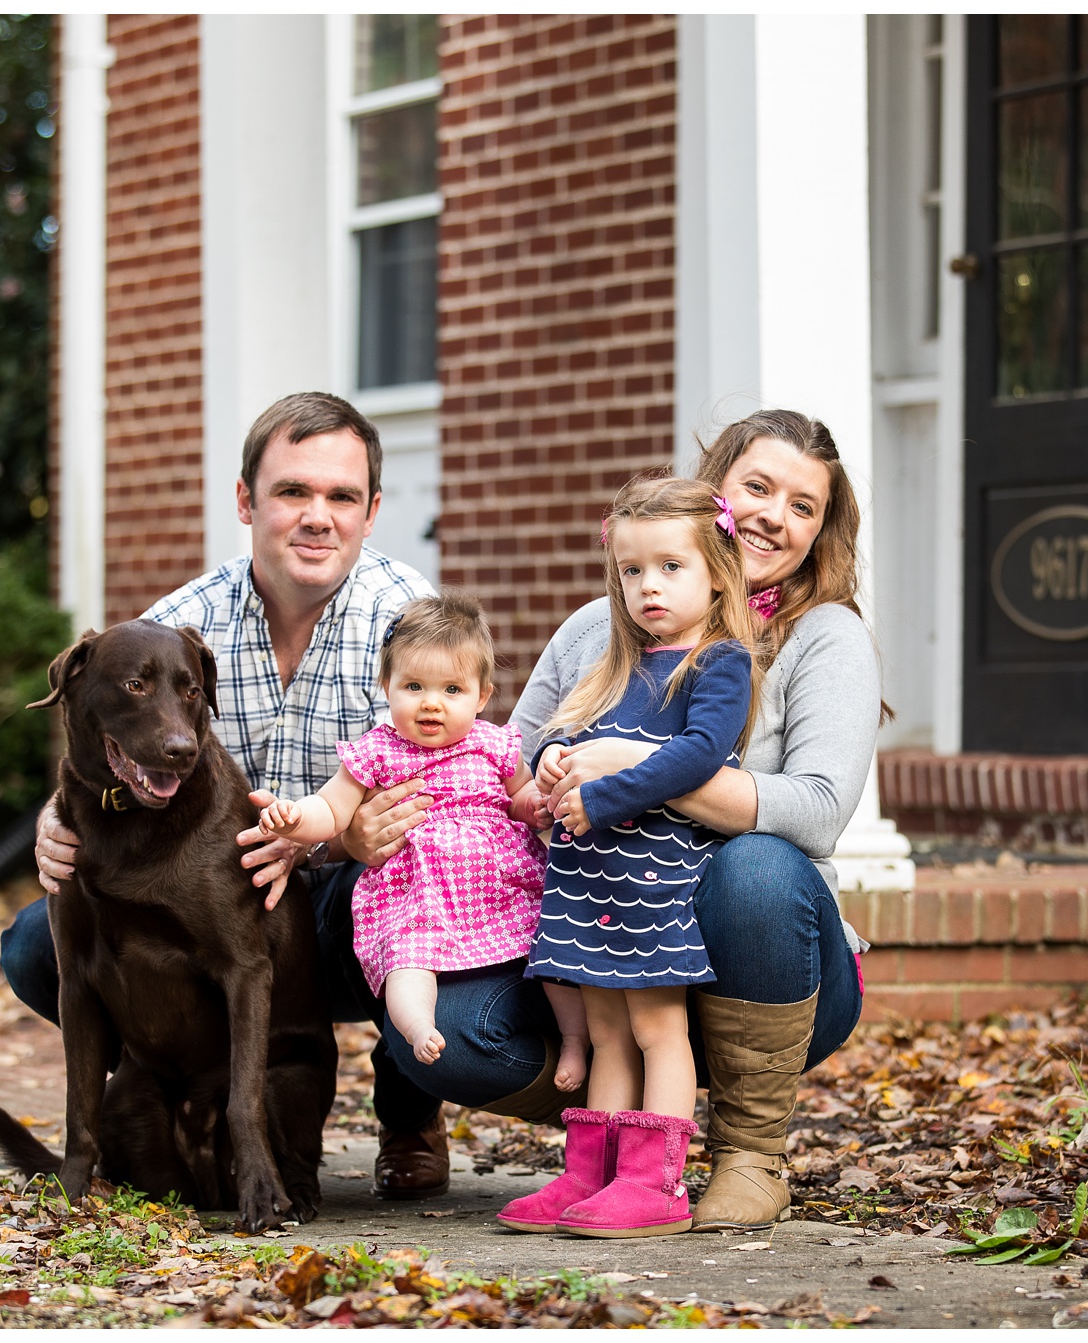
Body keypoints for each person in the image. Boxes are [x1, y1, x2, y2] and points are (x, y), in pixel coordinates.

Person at [314, 408, 879, 1233]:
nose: (772, 515)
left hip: (762, 958)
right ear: (711, 491)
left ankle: (750, 1153)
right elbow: (520, 757)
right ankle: (607, 1159)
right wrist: (534, 786)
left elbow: (819, 811)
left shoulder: (822, 637)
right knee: (443, 1034)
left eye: (803, 506)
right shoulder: (600, 624)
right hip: (602, 917)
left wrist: (624, 769)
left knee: (756, 865)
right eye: (757, 486)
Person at [5, 391, 502, 1200]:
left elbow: (448, 792)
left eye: (341, 496)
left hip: (355, 898)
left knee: (414, 920)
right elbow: (105, 718)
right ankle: (163, 1102)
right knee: (38, 943)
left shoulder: (407, 623)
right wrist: (54, 817)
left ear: (372, 511)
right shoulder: (185, 619)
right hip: (216, 902)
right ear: (246, 501)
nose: (318, 516)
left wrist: (335, 837)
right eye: (293, 492)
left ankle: (409, 1111)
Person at [498, 477, 757, 1238]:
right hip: (584, 880)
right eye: (633, 569)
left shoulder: (719, 663)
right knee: (607, 1031)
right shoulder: (618, 660)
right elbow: (560, 730)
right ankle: (591, 1175)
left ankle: (656, 1182)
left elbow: (701, 756)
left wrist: (606, 796)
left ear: (717, 570)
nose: (649, 586)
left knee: (655, 1029)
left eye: (671, 567)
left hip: (652, 881)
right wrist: (549, 764)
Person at [257, 593, 588, 1089]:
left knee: (551, 957)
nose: (431, 702)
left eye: (452, 689)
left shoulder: (493, 743)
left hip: (506, 888)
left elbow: (518, 794)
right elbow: (331, 809)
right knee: (407, 963)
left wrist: (535, 806)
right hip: (420, 896)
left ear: (480, 697)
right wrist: (292, 817)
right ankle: (418, 1028)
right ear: (387, 687)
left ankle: (577, 1043)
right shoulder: (376, 752)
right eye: (414, 686)